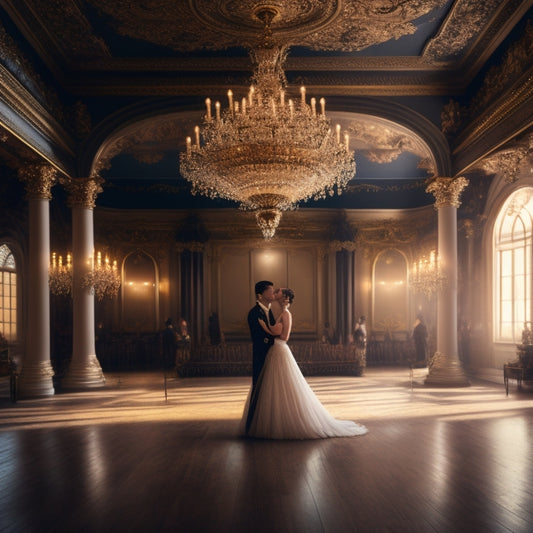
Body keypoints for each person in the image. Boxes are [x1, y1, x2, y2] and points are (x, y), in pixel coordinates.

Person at [241, 288, 368, 440]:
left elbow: (284, 335)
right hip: (276, 350)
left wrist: (265, 327)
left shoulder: (286, 314)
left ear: (285, 298)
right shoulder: (281, 312)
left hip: (280, 349)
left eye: (279, 292)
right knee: (277, 386)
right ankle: (278, 417)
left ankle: (285, 421)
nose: (276, 292)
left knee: (284, 384)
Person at [247, 280, 276, 390]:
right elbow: (259, 338)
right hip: (262, 357)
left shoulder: (270, 311)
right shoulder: (254, 313)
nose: (273, 292)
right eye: (269, 290)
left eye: (273, 290)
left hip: (272, 355)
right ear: (260, 295)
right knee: (261, 388)